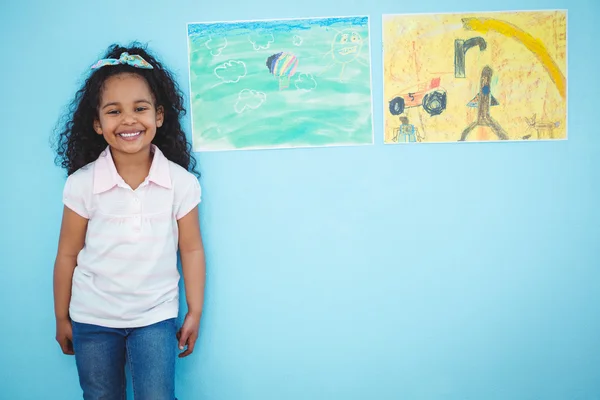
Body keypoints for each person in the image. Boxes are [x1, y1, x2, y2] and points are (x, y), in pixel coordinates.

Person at [52, 43, 206, 400]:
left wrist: (195, 310)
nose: (128, 120)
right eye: (113, 111)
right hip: (93, 318)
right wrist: (62, 316)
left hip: (155, 318)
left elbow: (192, 249)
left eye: (140, 108)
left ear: (159, 116)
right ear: (97, 123)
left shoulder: (180, 183)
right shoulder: (82, 184)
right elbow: (66, 255)